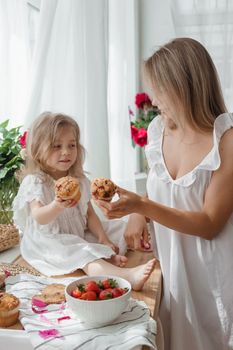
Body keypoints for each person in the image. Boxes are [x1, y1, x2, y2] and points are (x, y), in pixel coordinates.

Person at [96, 38, 233, 349]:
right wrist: (137, 213)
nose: (153, 101)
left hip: (213, 281)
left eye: (158, 89)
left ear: (183, 87)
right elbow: (159, 187)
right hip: (170, 272)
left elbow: (210, 224)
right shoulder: (159, 131)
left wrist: (144, 205)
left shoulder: (227, 141)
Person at [13, 112, 156, 291]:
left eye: (71, 145)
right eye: (57, 146)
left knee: (117, 227)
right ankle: (126, 276)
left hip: (77, 232)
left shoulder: (78, 180)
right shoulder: (36, 181)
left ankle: (126, 249)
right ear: (37, 150)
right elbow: (39, 217)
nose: (66, 151)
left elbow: (89, 214)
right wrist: (57, 204)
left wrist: (103, 238)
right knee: (84, 253)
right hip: (49, 242)